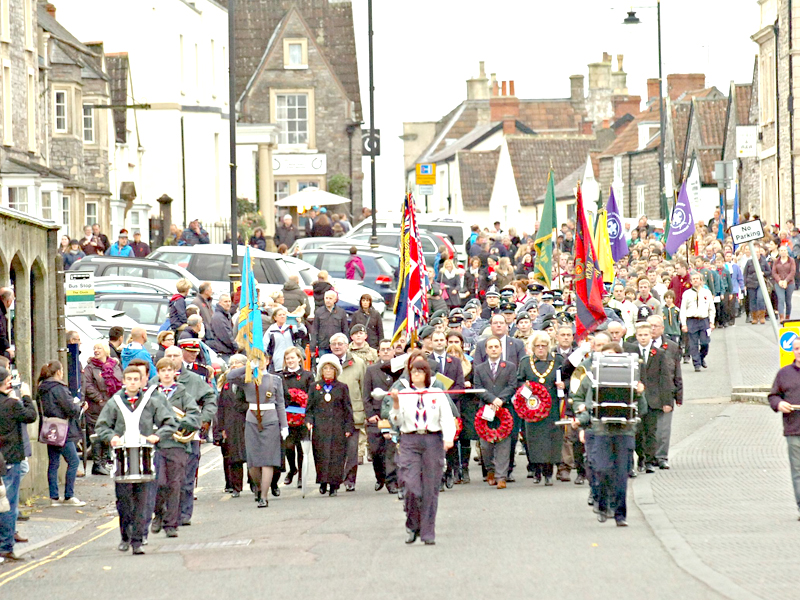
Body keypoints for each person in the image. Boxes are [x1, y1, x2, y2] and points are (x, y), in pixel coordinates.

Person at [95, 366, 176, 554]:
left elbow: (170, 422)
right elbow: (102, 426)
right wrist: (111, 437)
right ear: (123, 381)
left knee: (143, 502)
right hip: (123, 459)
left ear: (141, 381)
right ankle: (125, 536)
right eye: (128, 379)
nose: (132, 382)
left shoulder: (151, 402)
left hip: (145, 458)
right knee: (124, 503)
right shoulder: (115, 402)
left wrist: (158, 435)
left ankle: (138, 541)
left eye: (135, 379)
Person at [574, 342, 647, 527]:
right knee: (602, 469)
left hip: (624, 431)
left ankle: (620, 514)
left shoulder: (631, 376)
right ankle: (602, 502)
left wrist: (640, 394)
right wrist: (581, 417)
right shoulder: (590, 378)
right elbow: (581, 402)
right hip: (600, 430)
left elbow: (643, 409)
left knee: (621, 474)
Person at [389, 356, 455, 545]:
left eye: (420, 371)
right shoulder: (404, 393)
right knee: (411, 486)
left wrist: (448, 438)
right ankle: (412, 523)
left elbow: (446, 418)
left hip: (432, 439)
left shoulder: (436, 393)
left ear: (427, 374)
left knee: (430, 488)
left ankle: (427, 531)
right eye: (413, 371)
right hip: (410, 439)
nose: (415, 374)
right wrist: (395, 404)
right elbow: (397, 421)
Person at [149, 358, 201, 538]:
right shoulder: (151, 394)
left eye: (169, 370)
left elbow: (195, 416)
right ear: (158, 373)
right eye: (162, 370)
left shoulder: (183, 395)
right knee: (159, 483)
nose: (166, 373)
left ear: (174, 373)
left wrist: (178, 422)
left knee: (175, 484)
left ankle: (171, 524)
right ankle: (159, 514)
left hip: (178, 445)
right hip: (157, 444)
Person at [226, 356, 287, 508]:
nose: (259, 363)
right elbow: (230, 376)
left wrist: (284, 425)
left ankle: (264, 496)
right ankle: (259, 488)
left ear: (267, 361)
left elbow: (280, 403)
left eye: (261, 360)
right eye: (255, 360)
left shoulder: (275, 379)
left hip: (271, 420)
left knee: (268, 460)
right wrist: (247, 366)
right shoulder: (248, 378)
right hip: (252, 420)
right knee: (253, 462)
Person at [517, 331, 566, 485]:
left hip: (552, 407)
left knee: (552, 439)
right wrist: (525, 388)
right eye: (537, 346)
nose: (540, 349)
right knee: (534, 440)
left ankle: (549, 472)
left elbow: (569, 378)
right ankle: (536, 470)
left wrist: (564, 385)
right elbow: (518, 382)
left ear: (548, 346)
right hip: (532, 408)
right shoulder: (526, 362)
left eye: (543, 346)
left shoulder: (558, 360)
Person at [624, 321, 672, 473]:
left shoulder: (658, 353)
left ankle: (650, 460)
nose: (643, 338)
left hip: (653, 399)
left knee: (651, 431)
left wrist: (666, 400)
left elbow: (664, 378)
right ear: (636, 336)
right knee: (637, 432)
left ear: (651, 336)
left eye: (646, 335)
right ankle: (640, 458)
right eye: (640, 335)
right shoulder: (631, 353)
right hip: (637, 398)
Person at [305, 354, 355, 497]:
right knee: (321, 455)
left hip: (338, 428)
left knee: (336, 457)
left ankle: (334, 484)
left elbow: (347, 409)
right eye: (325, 368)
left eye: (331, 368)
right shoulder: (315, 387)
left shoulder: (342, 387)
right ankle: (322, 481)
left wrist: (348, 427)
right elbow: (309, 409)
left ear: (336, 371)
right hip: (320, 428)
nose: (327, 371)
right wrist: (309, 421)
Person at [0, 367, 35, 562]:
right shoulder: (12, 404)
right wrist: (27, 396)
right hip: (10, 458)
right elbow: (31, 416)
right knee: (7, 503)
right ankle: (5, 546)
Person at [473, 336, 517, 489]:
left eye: (496, 346)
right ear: (486, 350)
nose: (493, 349)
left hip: (504, 409)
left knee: (504, 443)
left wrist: (500, 400)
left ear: (500, 349)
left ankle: (501, 476)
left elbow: (512, 386)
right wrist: (492, 399)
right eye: (490, 347)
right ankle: (490, 470)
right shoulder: (479, 368)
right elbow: (478, 388)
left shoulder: (510, 366)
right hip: (485, 410)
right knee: (486, 445)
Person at [329, 333, 367, 491]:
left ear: (347, 345)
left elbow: (364, 388)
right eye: (334, 344)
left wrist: (365, 411)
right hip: (332, 414)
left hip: (353, 413)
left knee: (352, 450)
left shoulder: (358, 363)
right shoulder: (326, 363)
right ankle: (335, 479)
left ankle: (350, 479)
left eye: (340, 343)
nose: (337, 346)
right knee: (335, 450)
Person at [768, 337, 800, 520]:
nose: (799, 351)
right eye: (796, 348)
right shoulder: (784, 374)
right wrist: (779, 404)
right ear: (793, 351)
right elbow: (773, 396)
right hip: (793, 429)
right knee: (798, 471)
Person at [363, 339, 401, 493]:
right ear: (378, 352)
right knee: (376, 451)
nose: (385, 352)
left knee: (391, 450)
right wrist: (370, 414)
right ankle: (380, 477)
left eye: (388, 349)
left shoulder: (399, 369)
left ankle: (392, 481)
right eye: (382, 349)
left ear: (393, 352)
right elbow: (366, 395)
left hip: (393, 414)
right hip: (377, 416)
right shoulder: (371, 370)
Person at [82, 342, 123, 475]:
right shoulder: (90, 368)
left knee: (108, 432)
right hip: (96, 406)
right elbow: (87, 385)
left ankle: (105, 462)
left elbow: (120, 381)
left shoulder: (115, 366)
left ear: (106, 350)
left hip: (112, 404)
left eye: (99, 348)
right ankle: (97, 463)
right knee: (96, 435)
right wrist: (99, 398)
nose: (96, 351)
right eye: (94, 348)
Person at [279, 347, 313, 488]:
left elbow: (311, 395)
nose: (290, 361)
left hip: (303, 415)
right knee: (288, 446)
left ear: (299, 358)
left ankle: (300, 476)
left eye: (293, 358)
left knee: (301, 447)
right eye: (288, 359)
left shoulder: (307, 375)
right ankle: (292, 468)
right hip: (286, 416)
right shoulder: (280, 376)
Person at [217, 355, 249, 496]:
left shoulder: (249, 382)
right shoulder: (227, 385)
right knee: (234, 456)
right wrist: (222, 428)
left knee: (250, 455)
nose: (234, 366)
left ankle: (255, 485)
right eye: (232, 363)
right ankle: (236, 487)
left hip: (247, 421)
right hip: (231, 424)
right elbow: (221, 407)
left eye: (238, 363)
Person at [680, 271, 715, 373]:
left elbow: (711, 309)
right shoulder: (687, 294)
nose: (695, 280)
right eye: (693, 279)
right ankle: (697, 364)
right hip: (692, 320)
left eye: (697, 279)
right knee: (693, 343)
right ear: (691, 281)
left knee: (705, 342)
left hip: (703, 320)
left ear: (701, 281)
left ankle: (701, 357)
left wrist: (711, 322)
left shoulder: (706, 293)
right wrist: (684, 324)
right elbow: (683, 310)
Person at [263, 306, 305, 372]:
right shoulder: (271, 330)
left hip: (292, 359)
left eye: (284, 315)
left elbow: (302, 334)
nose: (282, 316)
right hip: (277, 361)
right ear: (275, 317)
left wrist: (299, 324)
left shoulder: (291, 326)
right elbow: (265, 345)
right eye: (280, 315)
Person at [310, 290, 348, 356]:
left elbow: (345, 330)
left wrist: (346, 345)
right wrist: (312, 347)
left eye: (330, 298)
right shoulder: (319, 312)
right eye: (326, 298)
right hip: (323, 346)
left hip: (337, 346)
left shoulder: (341, 312)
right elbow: (315, 330)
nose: (328, 300)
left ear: (335, 299)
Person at [208, 294, 238, 361]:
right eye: (225, 301)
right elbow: (226, 336)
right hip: (222, 353)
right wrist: (236, 347)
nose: (228, 304)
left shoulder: (226, 315)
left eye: (229, 301)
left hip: (226, 351)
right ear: (220, 303)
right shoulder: (219, 317)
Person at [772, 245, 796, 323]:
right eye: (781, 251)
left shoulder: (791, 260)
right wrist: (779, 281)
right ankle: (781, 317)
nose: (783, 252)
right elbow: (774, 272)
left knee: (788, 301)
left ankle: (787, 317)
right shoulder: (776, 261)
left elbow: (793, 271)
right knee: (781, 299)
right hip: (779, 283)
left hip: (790, 283)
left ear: (787, 251)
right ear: (779, 252)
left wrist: (786, 281)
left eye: (784, 250)